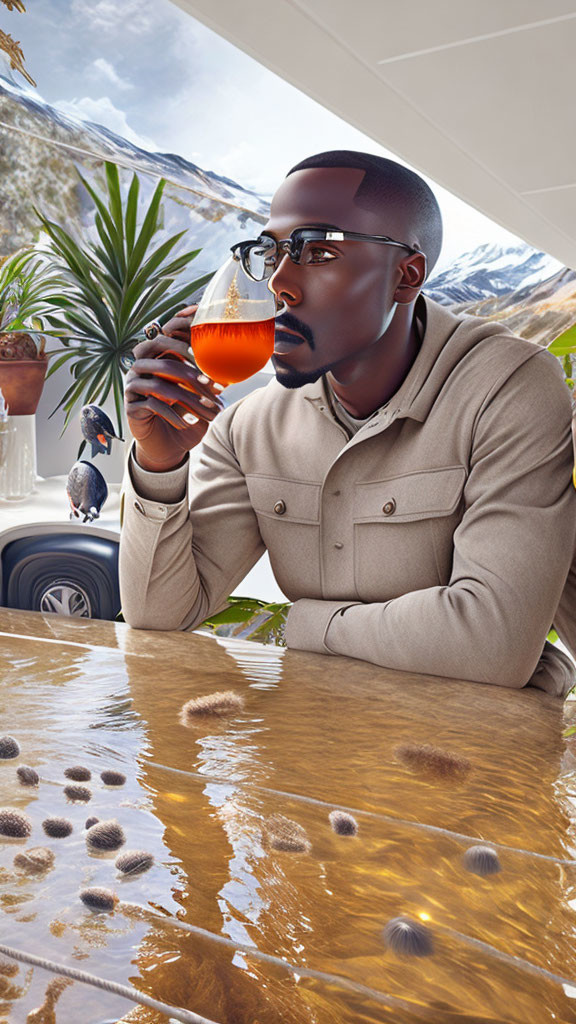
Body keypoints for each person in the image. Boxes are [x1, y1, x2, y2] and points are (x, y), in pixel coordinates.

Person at [119, 150, 576, 696]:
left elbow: (491, 646)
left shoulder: (507, 389)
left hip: (461, 760)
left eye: (317, 251)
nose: (279, 285)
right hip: (312, 750)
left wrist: (306, 625)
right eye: (270, 255)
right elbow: (160, 617)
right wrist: (160, 463)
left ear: (406, 276)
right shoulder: (250, 427)